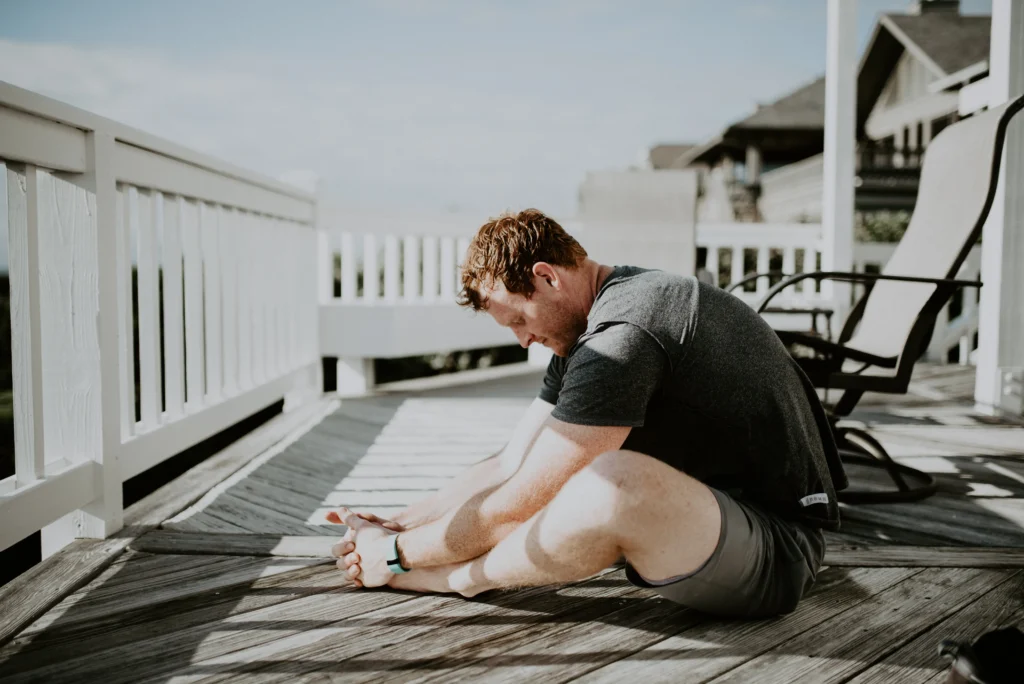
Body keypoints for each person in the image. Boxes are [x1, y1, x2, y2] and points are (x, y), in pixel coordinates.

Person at [328, 208, 846, 618]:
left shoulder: (624, 334)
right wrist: (396, 523)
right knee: (557, 474)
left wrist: (400, 557)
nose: (523, 339)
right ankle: (428, 566)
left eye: (518, 319)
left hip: (776, 551)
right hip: (703, 525)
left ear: (546, 276)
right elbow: (512, 464)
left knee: (608, 483)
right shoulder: (586, 330)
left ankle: (457, 580)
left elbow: (523, 500)